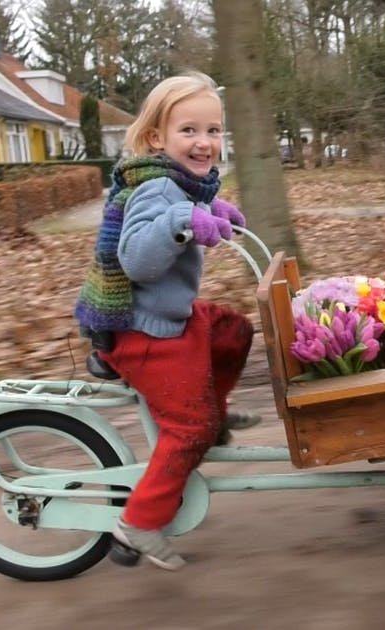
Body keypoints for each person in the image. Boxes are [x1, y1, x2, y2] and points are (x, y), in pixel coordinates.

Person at [73, 72, 256, 571]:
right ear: (157, 138)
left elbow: (186, 208)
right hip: (141, 331)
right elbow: (137, 259)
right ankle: (139, 523)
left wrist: (212, 208)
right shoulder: (156, 191)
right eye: (189, 131)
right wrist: (184, 222)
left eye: (214, 131)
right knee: (188, 427)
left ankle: (213, 413)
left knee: (233, 330)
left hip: (166, 317)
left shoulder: (178, 184)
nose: (204, 142)